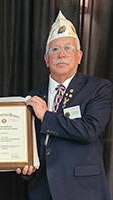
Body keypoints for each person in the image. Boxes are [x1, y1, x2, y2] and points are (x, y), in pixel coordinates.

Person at [16, 11, 112, 200]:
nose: (62, 54)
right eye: (54, 50)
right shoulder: (32, 97)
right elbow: (27, 144)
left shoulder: (98, 88)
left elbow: (89, 130)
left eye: (68, 48)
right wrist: (25, 168)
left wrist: (46, 116)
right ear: (46, 59)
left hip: (84, 191)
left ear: (79, 56)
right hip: (42, 190)